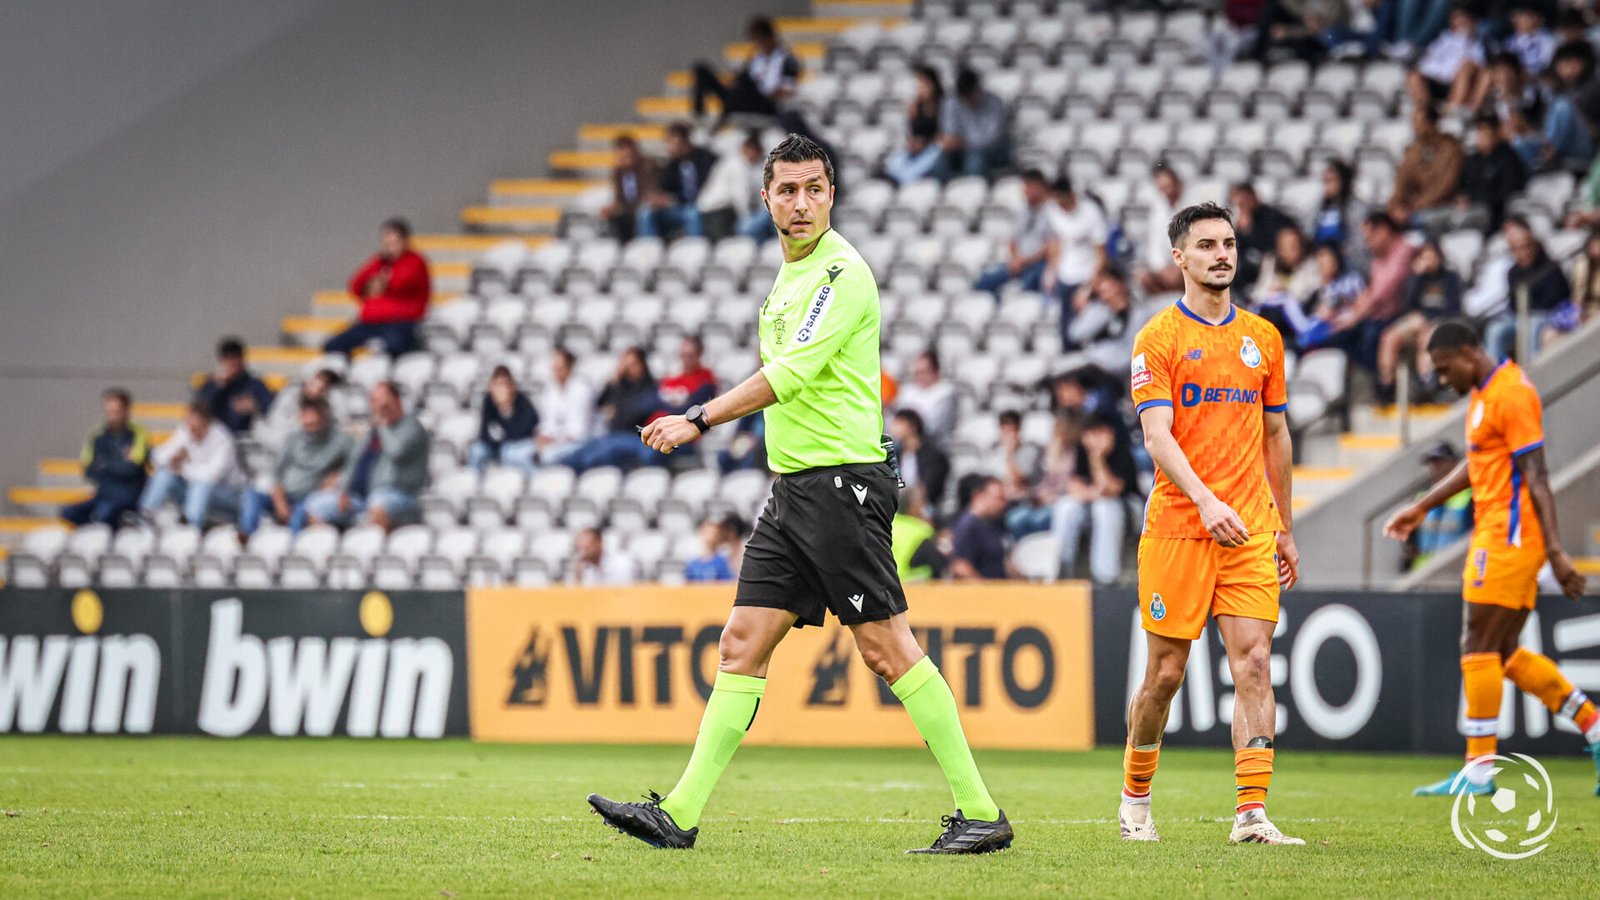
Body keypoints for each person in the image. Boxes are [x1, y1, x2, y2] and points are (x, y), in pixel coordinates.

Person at [589, 133, 1011, 854]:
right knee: (741, 643)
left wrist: (697, 418)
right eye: (787, 189)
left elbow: (787, 377)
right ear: (766, 199)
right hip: (795, 493)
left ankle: (980, 811)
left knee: (887, 649)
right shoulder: (788, 280)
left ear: (832, 194)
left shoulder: (840, 273)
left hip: (840, 486)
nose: (801, 201)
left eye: (814, 187)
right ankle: (681, 813)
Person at [1121, 202, 1302, 846]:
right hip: (1179, 526)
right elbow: (1156, 434)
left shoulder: (1264, 338)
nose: (1221, 254)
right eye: (1206, 245)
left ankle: (1251, 814)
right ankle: (1135, 797)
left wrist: (1282, 524)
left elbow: (1277, 433)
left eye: (1227, 243)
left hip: (1249, 528)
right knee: (1165, 675)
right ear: (1180, 258)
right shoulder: (1158, 339)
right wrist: (1203, 499)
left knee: (1254, 663)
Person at [1384, 320, 1597, 797]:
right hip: (1499, 534)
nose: (1442, 380)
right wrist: (1422, 505)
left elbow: (1538, 476)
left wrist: (1558, 552)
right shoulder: (1483, 395)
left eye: (1444, 369)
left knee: (1476, 645)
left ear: (1466, 352)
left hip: (1510, 538)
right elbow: (1478, 463)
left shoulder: (1513, 394)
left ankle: (1479, 771)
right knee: (1502, 653)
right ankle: (1595, 725)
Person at [304, 382, 429, 532]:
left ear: (396, 400)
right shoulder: (373, 432)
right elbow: (354, 460)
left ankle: (377, 551)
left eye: (382, 400)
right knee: (315, 505)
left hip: (400, 495)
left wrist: (383, 425)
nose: (378, 406)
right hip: (363, 497)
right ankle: (334, 549)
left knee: (379, 502)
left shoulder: (411, 426)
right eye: (374, 401)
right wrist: (344, 490)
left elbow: (397, 451)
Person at [240, 395, 352, 536]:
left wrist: (338, 476)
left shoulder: (340, 440)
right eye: (306, 415)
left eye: (314, 416)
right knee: (251, 495)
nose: (310, 421)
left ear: (324, 416)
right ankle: (247, 537)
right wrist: (279, 499)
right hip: (284, 496)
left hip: (309, 498)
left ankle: (291, 552)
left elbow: (355, 463)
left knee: (300, 514)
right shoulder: (294, 439)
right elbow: (276, 472)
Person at [324, 218, 431, 358]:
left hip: (401, 322)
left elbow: (399, 284)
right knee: (333, 345)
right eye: (386, 243)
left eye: (394, 243)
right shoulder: (380, 261)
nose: (389, 247)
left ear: (405, 241)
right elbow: (356, 285)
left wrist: (380, 281)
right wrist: (378, 279)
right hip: (371, 322)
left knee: (393, 346)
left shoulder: (415, 261)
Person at [1052, 412, 1137, 585]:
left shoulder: (1122, 450)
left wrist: (1097, 458)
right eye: (1090, 433)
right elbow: (1073, 485)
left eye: (1099, 433)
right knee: (1065, 507)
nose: (1094, 438)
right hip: (1093, 501)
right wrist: (1091, 493)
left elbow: (1111, 488)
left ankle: (1105, 577)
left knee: (1104, 508)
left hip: (1128, 507)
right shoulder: (1082, 451)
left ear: (1110, 433)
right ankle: (1060, 569)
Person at [1377, 240, 1463, 402]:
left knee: (1427, 338)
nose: (1429, 261)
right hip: (1418, 320)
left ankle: (1428, 383)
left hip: (1440, 321)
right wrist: (1415, 277)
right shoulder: (1418, 279)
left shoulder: (1450, 278)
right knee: (1389, 337)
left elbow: (1454, 308)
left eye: (1432, 256)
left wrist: (1430, 321)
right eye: (1425, 257)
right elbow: (1408, 305)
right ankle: (1387, 384)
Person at [139, 402, 244, 527]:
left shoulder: (222, 440)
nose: (190, 428)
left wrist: (183, 468)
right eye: (188, 422)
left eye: (194, 425)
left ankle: (192, 526)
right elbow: (158, 456)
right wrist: (173, 458)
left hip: (227, 495)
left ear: (206, 423)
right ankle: (145, 516)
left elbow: (212, 476)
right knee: (164, 475)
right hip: (193, 492)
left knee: (201, 485)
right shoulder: (186, 431)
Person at [558, 347, 662, 472]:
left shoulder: (649, 388)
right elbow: (599, 403)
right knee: (575, 456)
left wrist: (617, 411)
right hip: (613, 435)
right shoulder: (620, 386)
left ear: (642, 365)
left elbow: (632, 418)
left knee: (595, 456)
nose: (629, 370)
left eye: (633, 365)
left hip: (635, 436)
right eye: (625, 366)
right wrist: (614, 381)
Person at [1484, 216, 1571, 361]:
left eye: (1525, 247)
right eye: (1516, 250)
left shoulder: (1549, 266)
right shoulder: (1513, 273)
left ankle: (1531, 372)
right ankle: (1496, 377)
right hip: (1520, 317)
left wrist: (1527, 312)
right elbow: (1513, 303)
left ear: (1533, 245)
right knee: (1495, 330)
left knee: (1531, 324)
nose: (1522, 253)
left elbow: (1554, 298)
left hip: (1547, 315)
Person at [1425, 113, 1527, 235]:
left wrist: (1474, 200)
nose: (1481, 136)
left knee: (1460, 220)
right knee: (1430, 219)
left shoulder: (1507, 158)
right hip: (1466, 209)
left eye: (1485, 132)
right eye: (1479, 132)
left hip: (1490, 212)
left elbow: (1507, 193)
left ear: (1495, 134)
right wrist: (1460, 198)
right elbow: (1461, 186)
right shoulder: (1473, 159)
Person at [62, 388, 150, 527]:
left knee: (102, 514)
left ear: (126, 411)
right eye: (108, 412)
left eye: (116, 412)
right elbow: (88, 470)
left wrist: (105, 464)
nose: (112, 417)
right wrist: (118, 464)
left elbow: (131, 470)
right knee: (67, 512)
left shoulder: (138, 434)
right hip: (104, 493)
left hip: (128, 495)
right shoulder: (97, 436)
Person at [690, 17, 800, 124]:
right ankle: (699, 114)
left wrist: (762, 92)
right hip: (742, 98)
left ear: (770, 37)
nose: (758, 44)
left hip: (765, 103)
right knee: (701, 70)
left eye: (760, 40)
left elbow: (787, 91)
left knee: (744, 81)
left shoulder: (787, 60)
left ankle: (722, 118)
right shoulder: (757, 58)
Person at [1043, 177, 1109, 350]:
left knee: (1086, 329)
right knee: (1066, 330)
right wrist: (1051, 271)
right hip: (1066, 274)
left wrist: (1088, 287)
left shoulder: (1091, 212)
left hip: (1088, 274)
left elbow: (1102, 254)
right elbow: (1057, 241)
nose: (1060, 206)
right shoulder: (1052, 209)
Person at [974, 169, 1053, 301]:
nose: (1025, 191)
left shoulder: (1052, 211)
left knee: (1027, 286)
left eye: (1029, 186)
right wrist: (1016, 259)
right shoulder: (1023, 210)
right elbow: (1013, 240)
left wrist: (1025, 261)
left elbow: (1051, 246)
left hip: (1039, 262)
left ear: (1040, 187)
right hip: (1019, 262)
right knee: (984, 282)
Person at [1387, 104, 1463, 228]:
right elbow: (1401, 181)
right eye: (1414, 121)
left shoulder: (1450, 148)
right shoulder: (1414, 150)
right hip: (1413, 207)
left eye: (1419, 121)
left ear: (1431, 123)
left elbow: (1444, 187)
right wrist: (1393, 207)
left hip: (1440, 206)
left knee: (1425, 219)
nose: (1415, 126)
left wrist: (1412, 208)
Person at [1401, 441, 1473, 571]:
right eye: (1431, 462)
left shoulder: (1470, 498)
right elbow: (1410, 541)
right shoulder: (1420, 498)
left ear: (1455, 464)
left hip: (1454, 572)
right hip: (1421, 571)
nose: (1434, 466)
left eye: (1439, 461)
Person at [1406, 4, 1485, 114]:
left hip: (1456, 82)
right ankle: (1426, 111)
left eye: (1462, 17)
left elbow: (1478, 65)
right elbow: (1429, 60)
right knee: (1413, 75)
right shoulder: (1444, 39)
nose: (1460, 22)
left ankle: (1450, 113)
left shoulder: (1476, 43)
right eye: (1456, 18)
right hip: (1436, 79)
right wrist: (1437, 74)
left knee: (1466, 68)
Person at [640, 123, 714, 239]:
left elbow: (703, 188)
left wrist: (673, 199)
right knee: (646, 213)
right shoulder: (673, 164)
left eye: (671, 142)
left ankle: (694, 251)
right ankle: (649, 251)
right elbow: (665, 187)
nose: (668, 147)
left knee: (692, 213)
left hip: (701, 206)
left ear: (683, 141)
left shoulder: (705, 159)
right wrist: (657, 198)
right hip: (678, 208)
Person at [1227, 183, 1296, 303]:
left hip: (1273, 266)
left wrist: (1249, 231)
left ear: (1253, 197)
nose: (1240, 208)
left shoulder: (1271, 217)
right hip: (1248, 269)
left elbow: (1271, 247)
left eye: (1242, 203)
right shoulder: (1240, 225)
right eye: (1236, 205)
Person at [254, 368, 347, 456]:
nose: (313, 391)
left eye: (321, 389)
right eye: (312, 384)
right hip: (277, 446)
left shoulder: (330, 408)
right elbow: (274, 422)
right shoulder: (289, 395)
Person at [937, 68, 1010, 180]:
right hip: (959, 149)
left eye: (970, 96)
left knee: (975, 159)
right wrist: (950, 140)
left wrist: (965, 143)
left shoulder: (995, 103)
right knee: (938, 157)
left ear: (977, 89)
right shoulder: (951, 102)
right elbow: (949, 130)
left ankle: (972, 191)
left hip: (989, 150)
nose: (967, 101)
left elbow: (992, 138)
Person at [1537, 40, 1597, 172]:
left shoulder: (1593, 87)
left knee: (1562, 106)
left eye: (1573, 62)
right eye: (1563, 63)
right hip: (1561, 145)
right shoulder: (1559, 90)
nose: (1568, 68)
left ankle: (1549, 155)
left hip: (1589, 147)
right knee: (1521, 144)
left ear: (1585, 63)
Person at [468, 365, 539, 477]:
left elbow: (526, 430)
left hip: (519, 443)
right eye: (497, 385)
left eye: (504, 384)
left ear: (512, 386)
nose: (501, 389)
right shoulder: (488, 402)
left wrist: (506, 407)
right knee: (476, 450)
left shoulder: (522, 402)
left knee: (510, 451)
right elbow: (483, 433)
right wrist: (498, 442)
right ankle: (474, 485)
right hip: (496, 445)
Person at [195, 337, 275, 434]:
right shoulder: (211, 385)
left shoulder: (255, 385)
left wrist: (255, 406)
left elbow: (273, 408)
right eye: (228, 358)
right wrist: (219, 386)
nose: (233, 362)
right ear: (222, 361)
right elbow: (200, 409)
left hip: (246, 437)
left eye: (236, 357)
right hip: (217, 437)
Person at [698, 133, 769, 241]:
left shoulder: (740, 164)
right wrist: (746, 217)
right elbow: (740, 195)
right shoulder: (737, 166)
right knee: (726, 243)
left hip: (721, 209)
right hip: (718, 209)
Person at [1308, 159, 1371, 277]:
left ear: (1344, 181)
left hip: (1349, 265)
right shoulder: (1318, 208)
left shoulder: (1358, 208)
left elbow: (1360, 243)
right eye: (1325, 181)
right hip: (1321, 263)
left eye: (1332, 181)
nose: (1328, 186)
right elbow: (1309, 233)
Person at [1067, 269, 1137, 371]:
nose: (1110, 294)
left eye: (1112, 288)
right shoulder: (1099, 310)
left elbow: (1131, 351)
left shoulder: (1137, 312)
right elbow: (1075, 334)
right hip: (1093, 361)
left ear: (1122, 285)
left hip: (1119, 366)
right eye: (1104, 292)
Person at [1542, 227, 1600, 350]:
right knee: (1549, 334)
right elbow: (1577, 295)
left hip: (1597, 313)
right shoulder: (1582, 264)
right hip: (1582, 311)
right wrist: (1579, 312)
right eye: (1595, 244)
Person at [536, 348, 597, 464]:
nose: (556, 371)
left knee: (548, 457)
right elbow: (547, 422)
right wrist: (543, 436)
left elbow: (579, 430)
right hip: (557, 441)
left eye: (560, 367)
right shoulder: (550, 390)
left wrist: (554, 441)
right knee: (518, 453)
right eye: (554, 367)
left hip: (583, 442)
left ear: (569, 368)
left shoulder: (582, 390)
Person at [949, 475, 1015, 580]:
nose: (1004, 504)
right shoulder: (968, 526)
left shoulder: (995, 523)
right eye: (999, 498)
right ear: (978, 497)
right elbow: (961, 566)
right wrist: (983, 590)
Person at [1135, 165, 1188, 295]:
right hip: (1164, 269)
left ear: (1177, 185)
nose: (1166, 192)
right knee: (1142, 276)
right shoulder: (1157, 213)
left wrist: (1178, 266)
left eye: (1169, 186)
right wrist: (1161, 268)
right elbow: (1154, 247)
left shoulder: (1193, 208)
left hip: (1185, 266)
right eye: (1162, 188)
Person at [601, 135, 659, 243]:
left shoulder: (648, 166)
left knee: (644, 213)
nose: (624, 158)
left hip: (649, 209)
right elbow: (619, 198)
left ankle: (647, 247)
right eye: (620, 154)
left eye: (627, 154)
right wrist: (613, 207)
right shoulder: (618, 172)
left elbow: (650, 193)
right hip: (628, 210)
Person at [890, 408, 950, 511]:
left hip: (925, 504)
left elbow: (930, 486)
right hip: (899, 501)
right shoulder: (896, 454)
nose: (893, 427)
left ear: (912, 426)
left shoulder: (932, 455)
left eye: (899, 422)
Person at [893, 350, 957, 443]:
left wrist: (909, 427)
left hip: (933, 444)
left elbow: (934, 426)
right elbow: (898, 419)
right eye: (917, 372)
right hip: (904, 441)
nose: (920, 376)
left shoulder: (945, 392)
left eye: (924, 371)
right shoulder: (908, 391)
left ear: (936, 372)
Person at [891, 486, 945, 583]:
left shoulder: (886, 525)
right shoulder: (921, 532)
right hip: (912, 591)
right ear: (912, 507)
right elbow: (938, 567)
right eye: (922, 503)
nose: (924, 508)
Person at [569, 527, 639, 586]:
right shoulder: (586, 571)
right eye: (579, 549)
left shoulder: (622, 564)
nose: (583, 554)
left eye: (586, 548)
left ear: (599, 543)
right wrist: (578, 576)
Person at [883, 119, 944, 186]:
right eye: (910, 139)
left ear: (927, 142)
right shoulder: (905, 152)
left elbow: (908, 178)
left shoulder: (934, 154)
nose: (911, 143)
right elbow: (890, 168)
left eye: (916, 140)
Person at [684, 517, 736, 582]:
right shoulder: (693, 563)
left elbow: (728, 584)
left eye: (714, 533)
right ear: (701, 533)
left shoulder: (722, 562)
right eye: (707, 532)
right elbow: (687, 585)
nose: (711, 537)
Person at [907, 64, 942, 139]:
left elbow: (947, 136)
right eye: (920, 85)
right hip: (918, 148)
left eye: (925, 84)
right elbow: (911, 134)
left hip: (937, 146)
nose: (922, 88)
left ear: (934, 84)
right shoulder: (914, 106)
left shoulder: (944, 105)